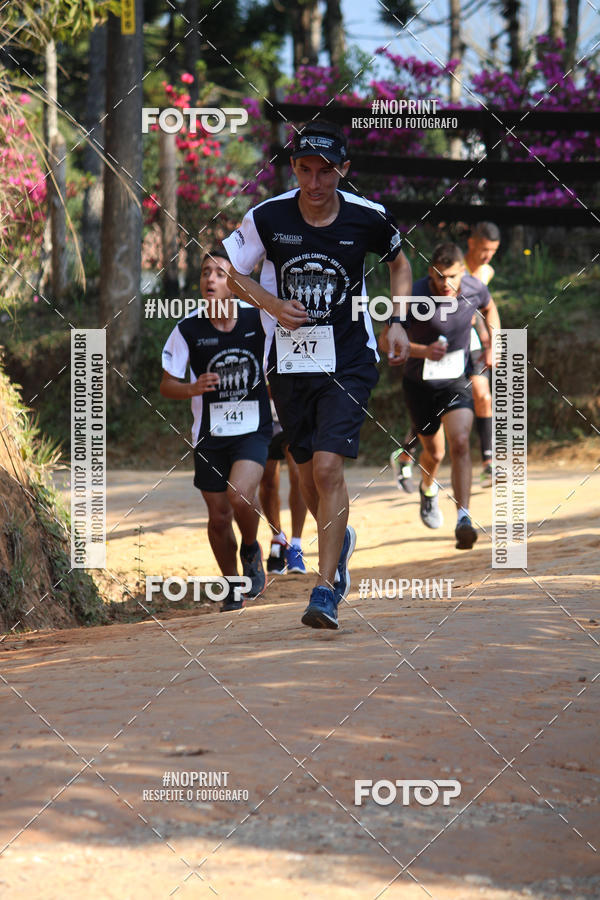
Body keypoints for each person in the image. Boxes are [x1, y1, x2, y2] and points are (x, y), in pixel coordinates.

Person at [223, 120, 411, 629]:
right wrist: (269, 303)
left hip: (349, 357)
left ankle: (325, 588)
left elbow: (398, 261)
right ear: (293, 170)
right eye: (304, 170)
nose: (314, 182)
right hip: (287, 362)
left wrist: (395, 320)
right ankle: (339, 536)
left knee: (328, 469)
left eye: (325, 171)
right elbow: (231, 269)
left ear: (342, 170)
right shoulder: (267, 217)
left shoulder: (366, 217)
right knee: (305, 471)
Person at [159, 251, 269, 611]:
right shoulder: (187, 329)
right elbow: (166, 385)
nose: (211, 279)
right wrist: (192, 388)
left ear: (234, 284)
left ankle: (251, 547)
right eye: (206, 272)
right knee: (219, 516)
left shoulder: (259, 320)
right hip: (209, 433)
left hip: (254, 427)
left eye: (220, 273)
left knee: (240, 497)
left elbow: (282, 361)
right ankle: (231, 586)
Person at [382, 242, 500, 550]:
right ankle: (428, 487)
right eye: (438, 278)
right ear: (429, 275)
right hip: (419, 384)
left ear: (462, 272)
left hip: (455, 380)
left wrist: (493, 342)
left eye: (450, 277)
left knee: (460, 442)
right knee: (434, 454)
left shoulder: (474, 288)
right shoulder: (413, 294)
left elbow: (490, 307)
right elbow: (387, 341)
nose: (444, 285)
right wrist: (423, 351)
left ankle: (463, 516)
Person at [464, 222, 501, 486]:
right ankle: (406, 453)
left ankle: (488, 463)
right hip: (446, 341)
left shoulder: (486, 271)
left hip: (472, 340)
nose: (488, 256)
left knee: (483, 396)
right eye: (484, 249)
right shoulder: (454, 266)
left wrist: (490, 342)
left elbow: (483, 305)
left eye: (493, 250)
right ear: (472, 244)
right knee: (440, 403)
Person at [260, 399, 308, 575]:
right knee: (267, 480)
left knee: (298, 473)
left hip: (291, 403)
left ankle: (296, 544)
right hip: (263, 409)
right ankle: (278, 538)